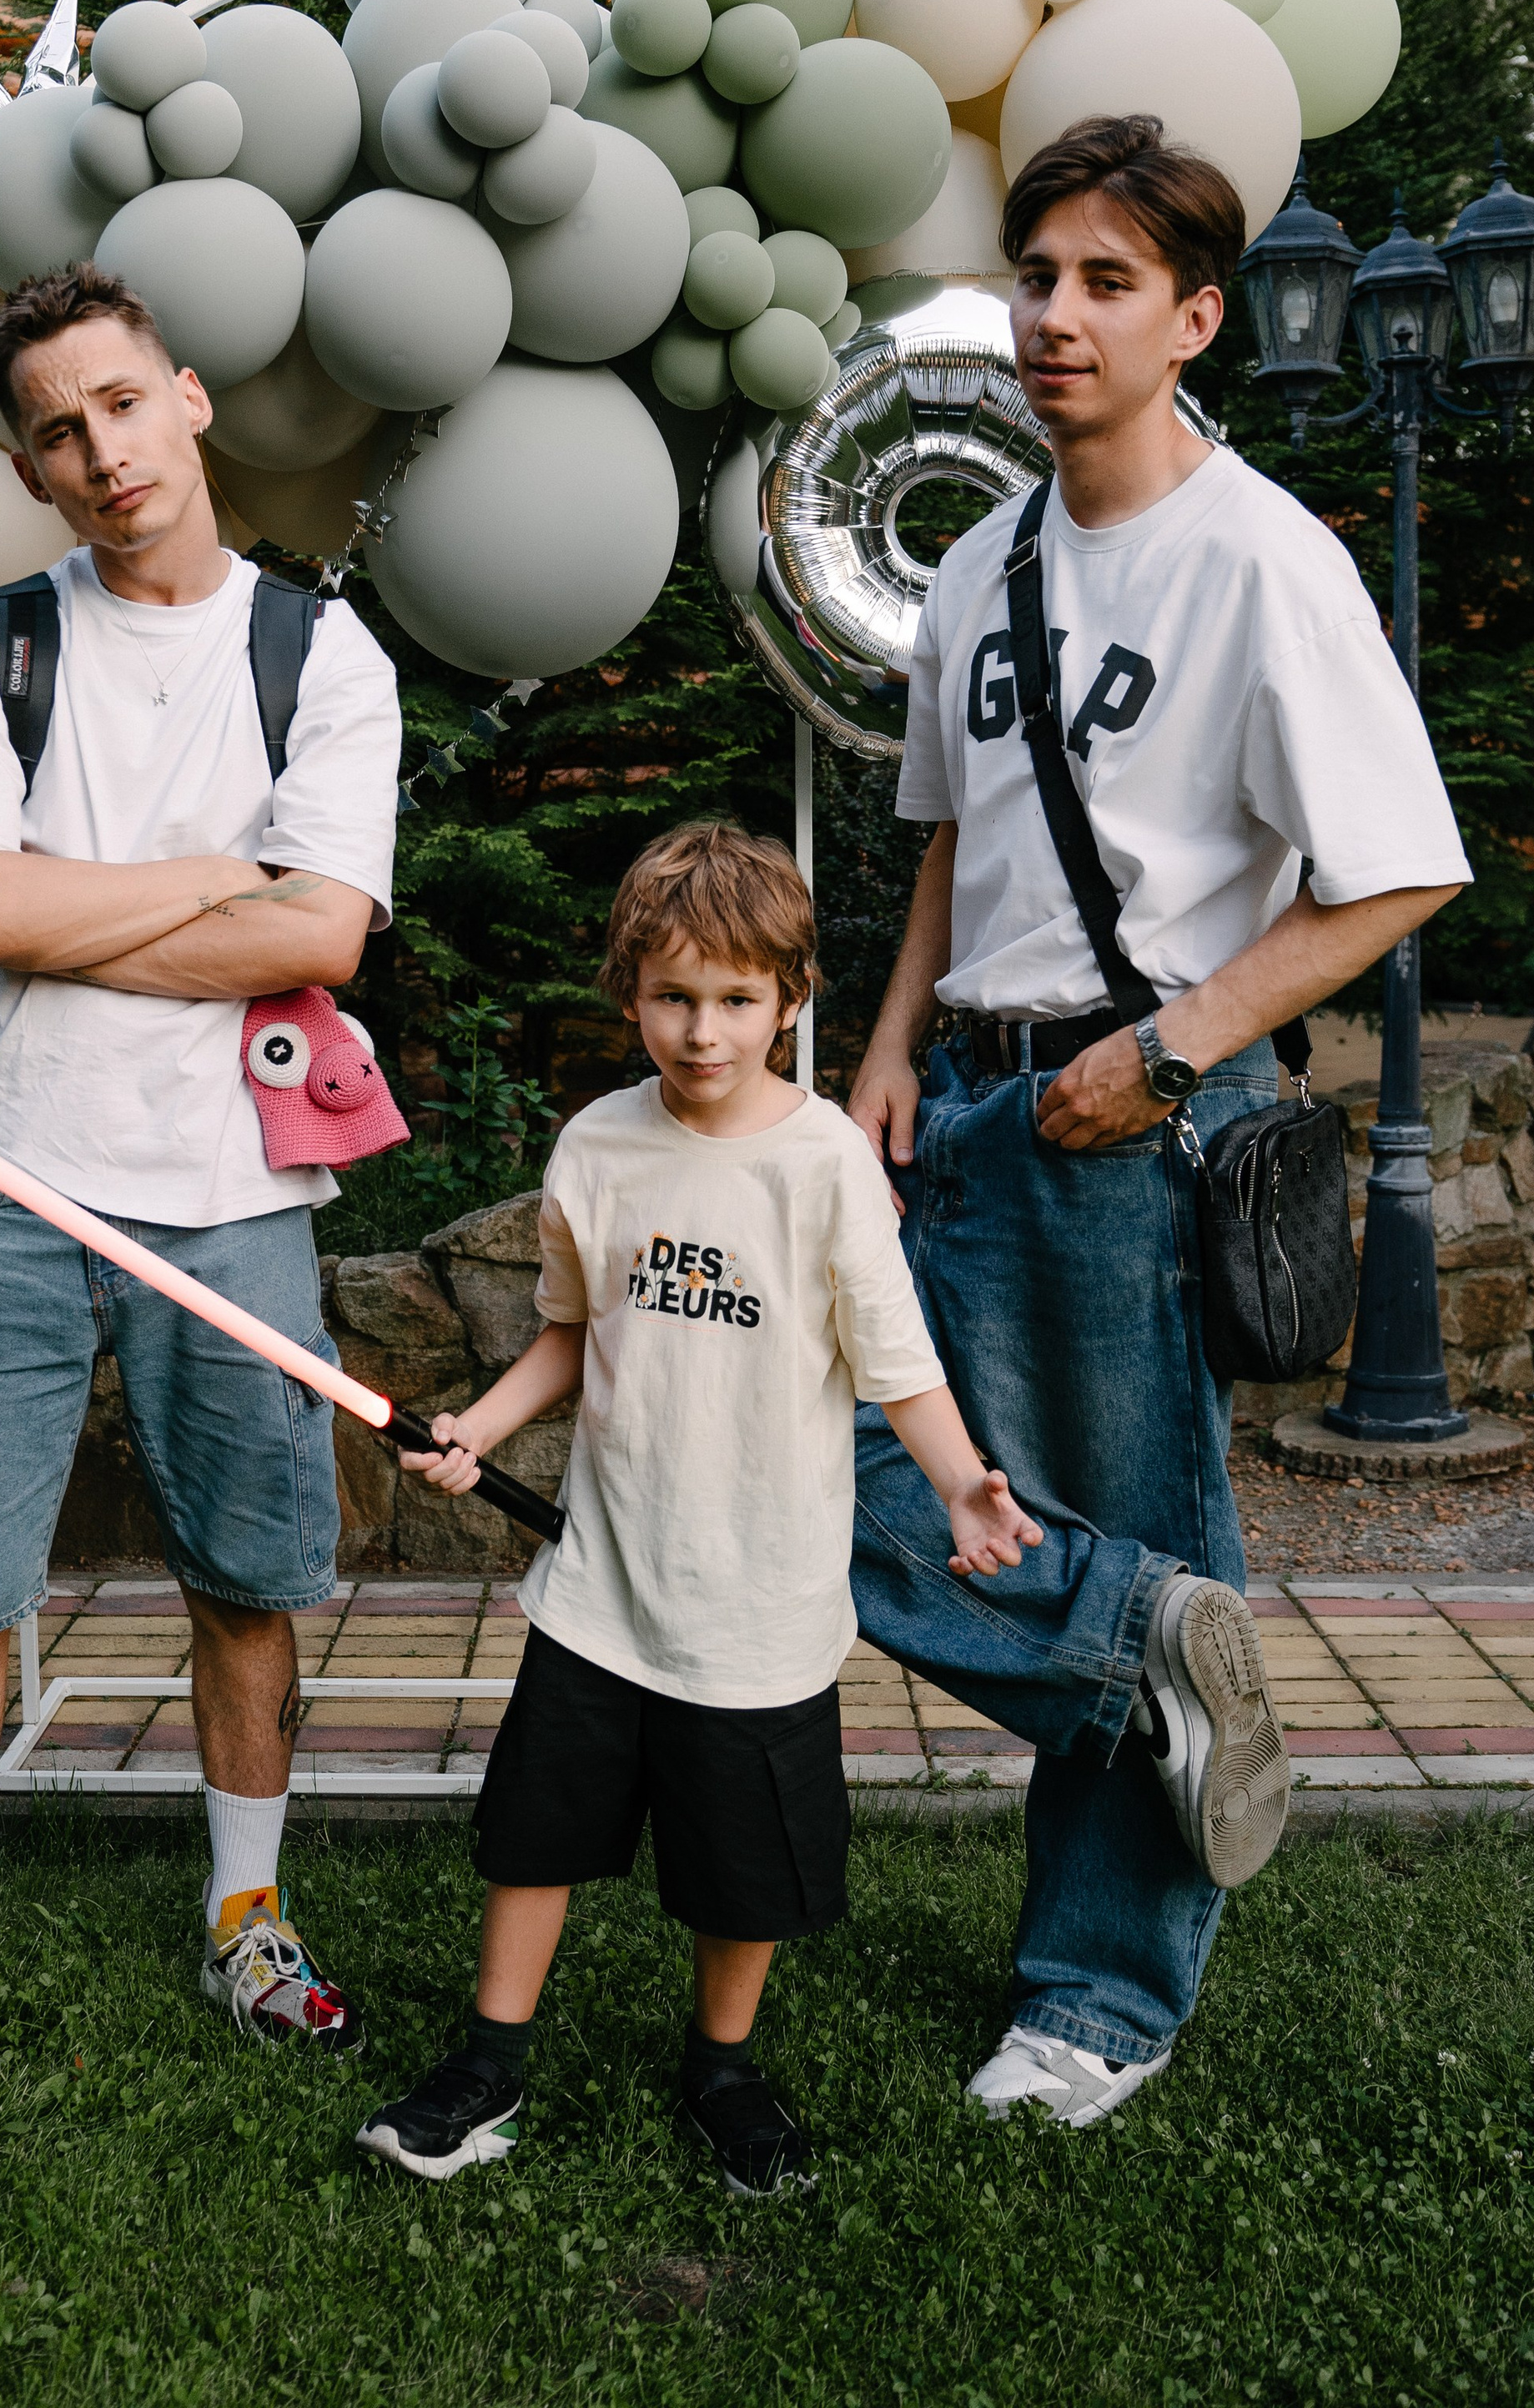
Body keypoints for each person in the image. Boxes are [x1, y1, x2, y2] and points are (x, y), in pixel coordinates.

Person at [845, 114, 1470, 2128]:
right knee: (843, 1490)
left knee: (1099, 1511)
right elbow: (947, 837)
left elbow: (1393, 875)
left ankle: (1097, 2002)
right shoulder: (976, 560)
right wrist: (882, 1043)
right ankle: (1154, 1650)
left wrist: (1173, 1052)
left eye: (1107, 282)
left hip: (1143, 1125)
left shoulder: (1262, 559)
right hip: (964, 1104)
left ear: (1195, 318)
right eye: (1035, 274)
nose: (1053, 316)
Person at [0, 265, 402, 2103]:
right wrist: (217, 881)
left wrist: (79, 914)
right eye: (59, 428)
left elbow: (330, 934)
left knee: (245, 1578)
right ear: (30, 461)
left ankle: (248, 1913)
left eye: (123, 403)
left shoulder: (321, 655)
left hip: (232, 1184)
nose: (102, 448)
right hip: (7, 1174)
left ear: (190, 398)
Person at [354, 823, 1042, 2196]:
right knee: (535, 1832)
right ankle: (489, 2060)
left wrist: (964, 1481)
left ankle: (724, 2064)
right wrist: (479, 1428)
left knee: (745, 1868)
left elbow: (897, 1361)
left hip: (763, 1596)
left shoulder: (828, 1161)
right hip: (604, 1582)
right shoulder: (597, 1146)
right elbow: (568, 1333)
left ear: (793, 999)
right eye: (675, 997)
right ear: (630, 993)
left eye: (738, 1000)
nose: (706, 1031)